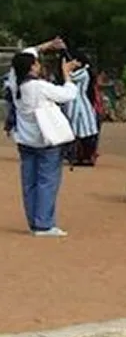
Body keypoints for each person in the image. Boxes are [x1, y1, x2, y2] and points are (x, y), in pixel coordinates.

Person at [11, 47, 81, 236]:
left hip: (25, 140)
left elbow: (23, 56)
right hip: (46, 140)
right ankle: (44, 224)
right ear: (32, 67)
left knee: (29, 183)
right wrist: (66, 74)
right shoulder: (38, 86)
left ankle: (34, 222)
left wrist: (47, 45)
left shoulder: (15, 84)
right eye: (36, 63)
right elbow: (68, 95)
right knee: (47, 182)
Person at [65, 51, 102, 166]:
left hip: (80, 104)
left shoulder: (83, 72)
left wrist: (65, 69)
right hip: (74, 102)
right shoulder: (81, 72)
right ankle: (78, 155)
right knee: (77, 131)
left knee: (83, 131)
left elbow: (69, 78)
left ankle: (86, 156)